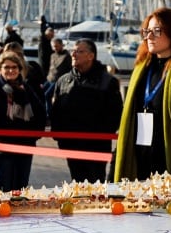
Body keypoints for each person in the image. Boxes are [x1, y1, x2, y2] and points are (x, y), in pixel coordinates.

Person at [113, 8, 171, 180]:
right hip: (138, 161)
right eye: (147, 31)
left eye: (157, 31)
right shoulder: (141, 69)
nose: (149, 36)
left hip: (170, 164)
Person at [46, 38, 122, 183]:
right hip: (71, 145)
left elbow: (115, 114)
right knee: (77, 185)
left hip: (96, 147)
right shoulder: (63, 81)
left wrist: (99, 134)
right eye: (72, 51)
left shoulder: (107, 82)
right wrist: (59, 137)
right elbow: (56, 112)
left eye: (79, 51)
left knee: (96, 188)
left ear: (91, 55)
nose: (73, 54)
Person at [0, 50, 46, 191]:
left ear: (20, 69)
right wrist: (7, 135)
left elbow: (41, 114)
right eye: (6, 67)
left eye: (14, 67)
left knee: (21, 190)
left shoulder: (26, 88)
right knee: (5, 189)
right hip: (3, 149)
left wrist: (33, 135)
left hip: (25, 146)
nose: (11, 70)